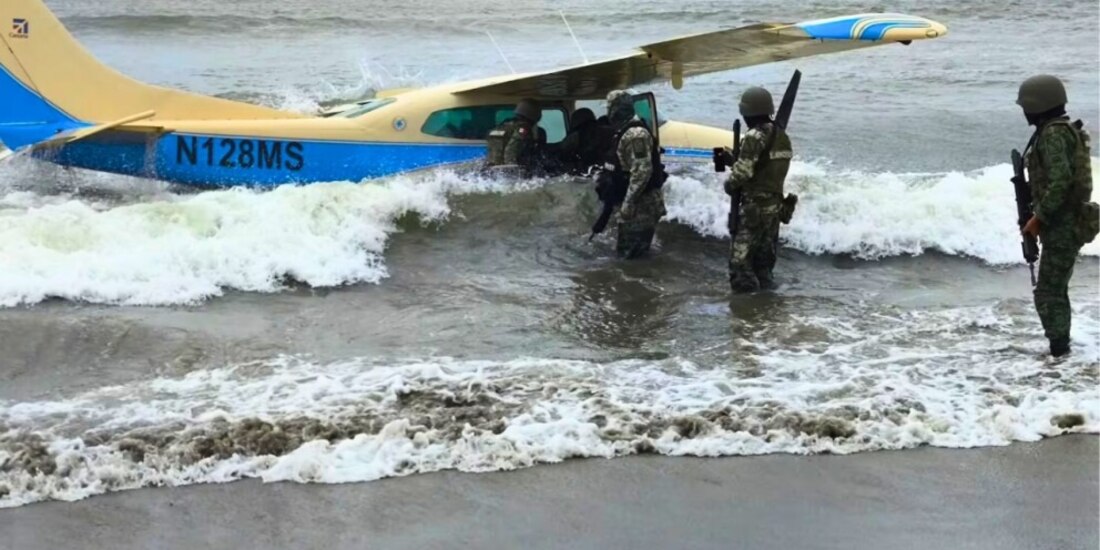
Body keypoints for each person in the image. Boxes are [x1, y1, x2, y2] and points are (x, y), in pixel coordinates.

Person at [1017, 74, 1096, 357]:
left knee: (1048, 293)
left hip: (1062, 224)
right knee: (1055, 289)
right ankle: (1061, 351)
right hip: (1065, 221)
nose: (1024, 111)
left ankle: (1060, 354)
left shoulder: (1052, 134)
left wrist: (1038, 218)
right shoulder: (1058, 130)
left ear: (1038, 105)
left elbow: (1061, 180)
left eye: (1026, 106)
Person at [723, 86, 793, 292]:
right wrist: (735, 161)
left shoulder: (754, 136)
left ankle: (747, 312)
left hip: (755, 209)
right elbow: (766, 168)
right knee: (763, 264)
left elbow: (742, 175)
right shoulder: (781, 135)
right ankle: (765, 308)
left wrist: (729, 184)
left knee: (739, 264)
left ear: (748, 112)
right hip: (775, 208)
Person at [602, 90, 667, 258]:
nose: (608, 112)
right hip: (636, 205)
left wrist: (628, 204)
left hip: (641, 206)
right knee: (628, 254)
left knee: (632, 257)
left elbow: (642, 171)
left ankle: (641, 283)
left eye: (610, 108)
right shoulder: (623, 132)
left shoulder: (635, 134)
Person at [484, 98, 542, 172]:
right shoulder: (522, 128)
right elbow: (512, 148)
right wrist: (512, 169)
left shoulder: (504, 125)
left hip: (491, 167)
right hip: (506, 169)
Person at [559, 108, 612, 174]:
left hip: (587, 168)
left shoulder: (576, 135)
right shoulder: (609, 131)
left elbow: (562, 151)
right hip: (607, 167)